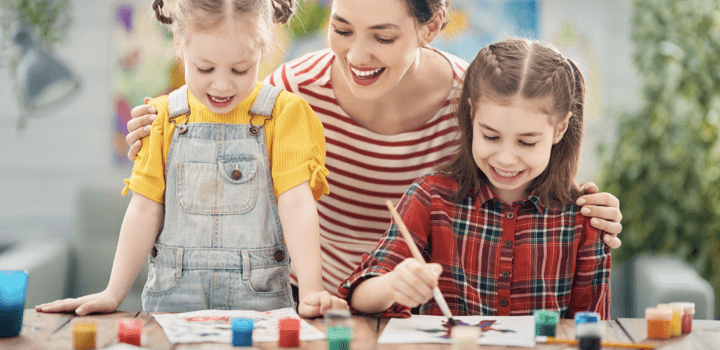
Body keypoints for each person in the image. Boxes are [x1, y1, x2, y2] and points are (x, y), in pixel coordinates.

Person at [124, 0, 623, 296]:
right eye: (341, 29)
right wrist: (159, 132)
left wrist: (583, 207)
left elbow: (514, 180)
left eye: (382, 38)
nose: (356, 56)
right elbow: (218, 136)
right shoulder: (297, 89)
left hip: (423, 305)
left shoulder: (467, 99)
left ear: (429, 28)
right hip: (306, 299)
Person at [36, 0, 346, 317]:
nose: (223, 85)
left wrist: (310, 290)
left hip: (261, 308)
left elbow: (296, 203)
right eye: (205, 68)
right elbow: (144, 207)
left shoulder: (285, 114)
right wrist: (114, 292)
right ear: (179, 44)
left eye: (240, 69)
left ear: (263, 48)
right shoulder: (159, 118)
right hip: (170, 310)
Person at [339, 38, 611, 319]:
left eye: (526, 142)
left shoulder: (584, 220)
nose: (506, 158)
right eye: (490, 136)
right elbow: (359, 297)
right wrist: (392, 286)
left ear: (560, 129)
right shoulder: (430, 199)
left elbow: (591, 328)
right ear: (471, 115)